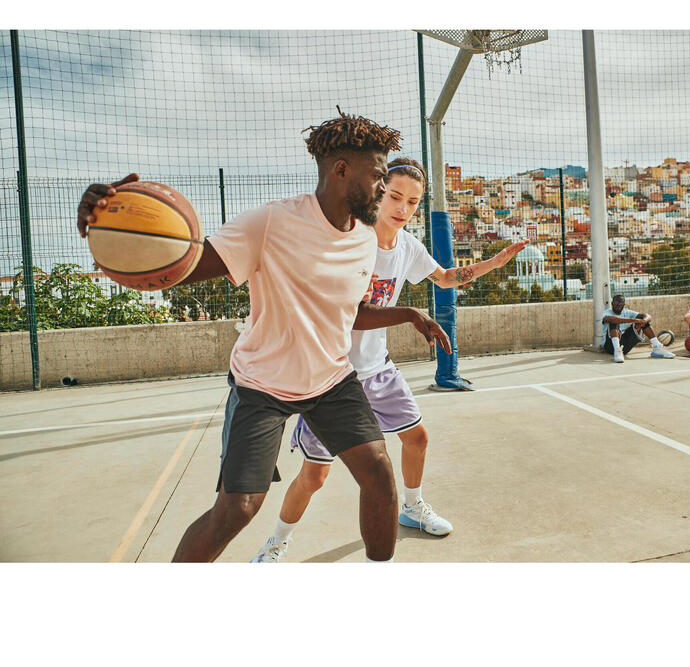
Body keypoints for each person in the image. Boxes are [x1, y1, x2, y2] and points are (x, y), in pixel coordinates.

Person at [75, 109, 450, 563]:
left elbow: (348, 313)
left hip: (331, 380)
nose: (381, 188)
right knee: (238, 510)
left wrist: (407, 313)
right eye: (376, 176)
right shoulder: (272, 222)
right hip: (262, 387)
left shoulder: (364, 238)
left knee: (379, 475)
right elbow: (183, 264)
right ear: (341, 170)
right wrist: (111, 228)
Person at [253, 157, 528, 562]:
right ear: (379, 194)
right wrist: (411, 315)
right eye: (396, 197)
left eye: (413, 203)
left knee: (416, 436)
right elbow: (353, 311)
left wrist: (493, 263)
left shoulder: (408, 247)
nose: (403, 208)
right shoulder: (351, 241)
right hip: (330, 376)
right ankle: (277, 541)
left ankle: (412, 507)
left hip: (377, 369)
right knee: (315, 475)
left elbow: (446, 277)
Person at [601, 293, 675, 363]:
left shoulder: (626, 312)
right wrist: (633, 320)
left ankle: (657, 348)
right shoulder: (606, 313)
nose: (618, 304)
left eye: (621, 303)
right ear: (612, 303)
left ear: (624, 304)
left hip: (625, 347)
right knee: (614, 322)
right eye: (616, 302)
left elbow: (647, 316)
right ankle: (617, 351)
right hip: (610, 346)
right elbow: (612, 320)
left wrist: (643, 321)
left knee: (642, 321)